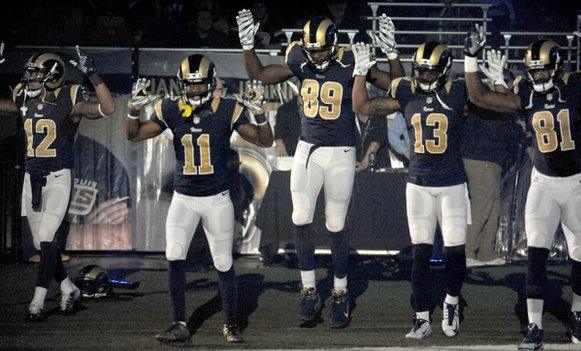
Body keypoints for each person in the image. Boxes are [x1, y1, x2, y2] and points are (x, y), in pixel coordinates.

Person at [462, 14, 581, 350]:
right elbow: (478, 97)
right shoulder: (525, 93)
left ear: (557, 66)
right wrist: (471, 57)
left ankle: (578, 314)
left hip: (576, 185)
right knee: (535, 256)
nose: (536, 76)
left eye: (541, 70)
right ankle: (534, 328)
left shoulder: (578, 87)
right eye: (532, 71)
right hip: (544, 185)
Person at [236, 10, 404, 328]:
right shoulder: (301, 59)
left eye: (321, 50)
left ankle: (340, 293)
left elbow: (395, 86)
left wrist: (391, 53)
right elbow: (260, 75)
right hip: (308, 148)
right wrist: (247, 45)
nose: (316, 56)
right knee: (300, 216)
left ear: (334, 44)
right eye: (311, 50)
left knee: (336, 223)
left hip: (340, 151)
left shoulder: (352, 61)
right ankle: (309, 290)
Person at [125, 54, 273, 344]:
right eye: (189, 86)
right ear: (181, 85)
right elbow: (135, 134)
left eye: (199, 85)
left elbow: (264, 140)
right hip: (184, 198)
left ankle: (231, 323)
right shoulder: (169, 108)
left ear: (210, 82)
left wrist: (260, 114)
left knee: (222, 261)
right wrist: (132, 110)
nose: (194, 91)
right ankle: (179, 322)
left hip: (216, 198)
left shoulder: (227, 109)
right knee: (174, 256)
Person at [351, 41, 470, 339]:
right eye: (421, 72)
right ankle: (421, 317)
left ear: (444, 71)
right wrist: (359, 72)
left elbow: (484, 98)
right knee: (420, 253)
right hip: (418, 184)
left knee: (455, 252)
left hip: (452, 183)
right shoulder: (406, 91)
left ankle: (452, 302)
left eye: (431, 73)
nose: (425, 78)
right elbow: (362, 106)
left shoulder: (457, 92)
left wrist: (480, 69)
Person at [0, 44, 116, 321]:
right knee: (44, 246)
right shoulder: (23, 97)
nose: (30, 79)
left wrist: (93, 75)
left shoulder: (70, 97)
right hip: (32, 177)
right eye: (30, 74)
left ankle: (37, 301)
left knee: (47, 239)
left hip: (58, 177)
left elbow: (108, 108)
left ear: (52, 75)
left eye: (36, 74)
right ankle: (68, 288)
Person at [461, 69, 523, 267]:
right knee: (481, 208)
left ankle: (486, 252)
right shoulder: (483, 100)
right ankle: (467, 252)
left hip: (489, 161)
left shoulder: (482, 99)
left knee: (493, 207)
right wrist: (517, 128)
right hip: (482, 160)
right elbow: (500, 128)